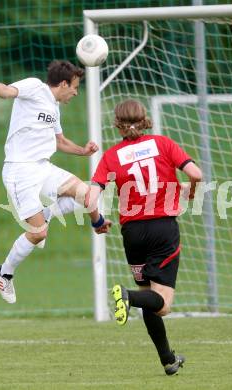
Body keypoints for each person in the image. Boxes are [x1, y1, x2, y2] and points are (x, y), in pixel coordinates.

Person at [0, 60, 110, 304]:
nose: (76, 92)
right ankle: (4, 272)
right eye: (75, 87)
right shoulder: (34, 87)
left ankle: (66, 215)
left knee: (87, 193)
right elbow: (7, 91)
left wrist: (83, 150)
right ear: (63, 83)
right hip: (20, 171)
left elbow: (59, 141)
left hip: (43, 167)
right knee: (39, 233)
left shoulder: (54, 107)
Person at [87, 99, 202, 376]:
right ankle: (126, 296)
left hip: (133, 234)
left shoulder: (112, 155)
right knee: (162, 305)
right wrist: (192, 191)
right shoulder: (162, 144)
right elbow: (196, 173)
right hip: (162, 230)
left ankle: (168, 359)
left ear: (118, 125)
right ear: (145, 119)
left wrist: (98, 222)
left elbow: (90, 197)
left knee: (148, 295)